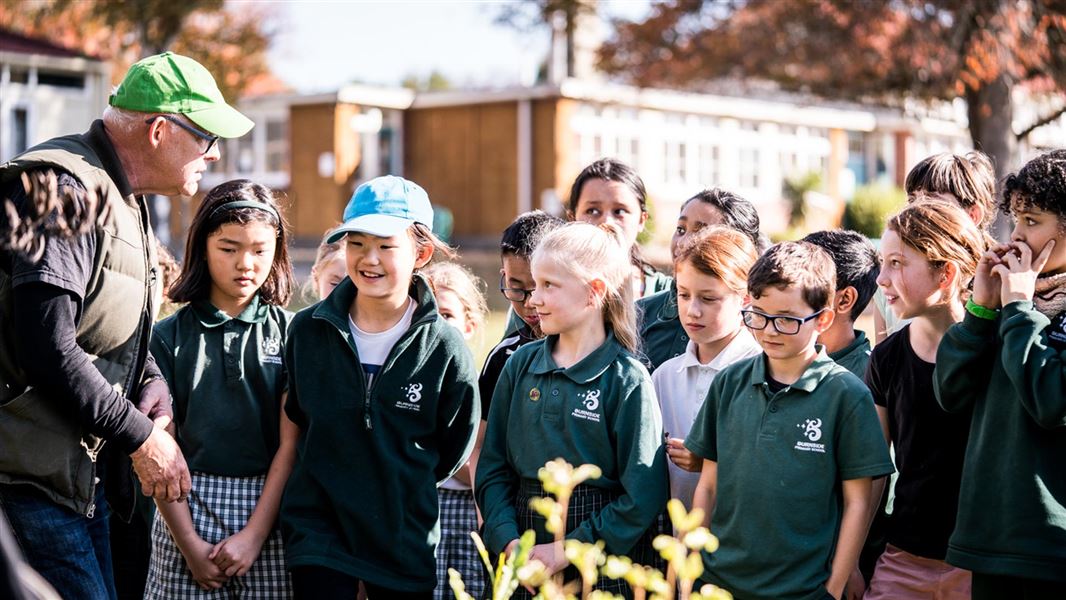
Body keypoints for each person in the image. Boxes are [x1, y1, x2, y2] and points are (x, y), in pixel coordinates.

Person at [0, 51, 252, 598]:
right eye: (207, 137)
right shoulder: (61, 190)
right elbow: (48, 347)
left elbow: (104, 329)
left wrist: (150, 380)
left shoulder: (121, 193)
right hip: (25, 481)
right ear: (161, 129)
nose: (214, 154)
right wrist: (142, 438)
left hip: (72, 479)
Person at [280, 176, 479, 599]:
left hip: (403, 543)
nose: (369, 259)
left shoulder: (445, 347)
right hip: (319, 536)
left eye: (386, 246)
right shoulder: (307, 331)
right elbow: (300, 417)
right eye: (356, 243)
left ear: (421, 253)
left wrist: (396, 485)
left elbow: (452, 447)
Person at [685, 242, 893, 600]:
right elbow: (707, 486)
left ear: (823, 319)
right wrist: (689, 572)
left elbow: (857, 503)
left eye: (786, 319)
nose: (768, 330)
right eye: (758, 315)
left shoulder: (846, 395)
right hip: (718, 584)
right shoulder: (729, 383)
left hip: (803, 589)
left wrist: (833, 587)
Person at [476, 222, 669, 599]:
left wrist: (566, 550)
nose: (534, 300)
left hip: (597, 558)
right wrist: (510, 542)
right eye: (533, 284)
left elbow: (642, 496)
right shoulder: (519, 365)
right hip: (520, 548)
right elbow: (493, 467)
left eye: (549, 285)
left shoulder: (627, 380)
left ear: (593, 292)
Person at [144, 180, 296, 598]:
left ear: (277, 251)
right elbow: (162, 450)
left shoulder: (293, 335)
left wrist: (254, 534)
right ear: (202, 248)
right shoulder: (166, 337)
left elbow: (291, 445)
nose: (245, 263)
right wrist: (190, 545)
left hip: (269, 515)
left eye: (259, 250)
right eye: (228, 248)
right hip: (183, 511)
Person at [935, 149, 1066, 599]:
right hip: (989, 538)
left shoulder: (1022, 305)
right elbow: (949, 394)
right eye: (1014, 220)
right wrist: (981, 309)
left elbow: (1051, 401)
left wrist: (1018, 309)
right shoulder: (1010, 300)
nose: (1015, 237)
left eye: (1032, 221)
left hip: (1051, 550)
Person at [861, 199, 984, 600]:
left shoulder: (998, 354)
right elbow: (873, 473)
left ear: (945, 273)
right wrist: (847, 565)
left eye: (897, 263)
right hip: (903, 560)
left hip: (982, 565)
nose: (881, 279)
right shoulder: (886, 358)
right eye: (883, 262)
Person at [650, 226, 760, 511]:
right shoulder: (664, 376)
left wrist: (710, 461)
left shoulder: (762, 371)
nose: (692, 311)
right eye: (684, 295)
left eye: (709, 299)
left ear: (745, 298)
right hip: (676, 544)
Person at [873, 151, 996, 342]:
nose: (917, 210)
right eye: (912, 200)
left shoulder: (999, 287)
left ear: (972, 215)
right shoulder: (888, 288)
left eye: (931, 201)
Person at [638, 188, 764, 370]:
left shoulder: (765, 335)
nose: (683, 243)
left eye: (701, 233)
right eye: (681, 229)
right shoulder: (641, 314)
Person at [422, 262, 488, 600]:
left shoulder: (477, 385)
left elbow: (475, 462)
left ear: (470, 325)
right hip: (424, 507)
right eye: (427, 311)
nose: (435, 323)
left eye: (446, 314)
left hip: (469, 509)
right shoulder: (411, 384)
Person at [478, 211, 564, 424]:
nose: (529, 303)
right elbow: (480, 441)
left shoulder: (596, 355)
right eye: (516, 288)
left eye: (542, 286)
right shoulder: (503, 357)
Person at [567, 158, 671, 298]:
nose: (607, 222)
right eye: (592, 211)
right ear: (572, 219)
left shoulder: (668, 295)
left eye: (620, 211)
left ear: (641, 220)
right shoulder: (549, 290)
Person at [801, 230, 879, 378]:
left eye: (807, 281)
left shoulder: (871, 380)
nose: (790, 291)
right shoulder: (778, 356)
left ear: (845, 300)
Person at [307, 228, 346, 301]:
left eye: (353, 286)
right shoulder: (305, 313)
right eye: (335, 284)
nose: (344, 293)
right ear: (316, 278)